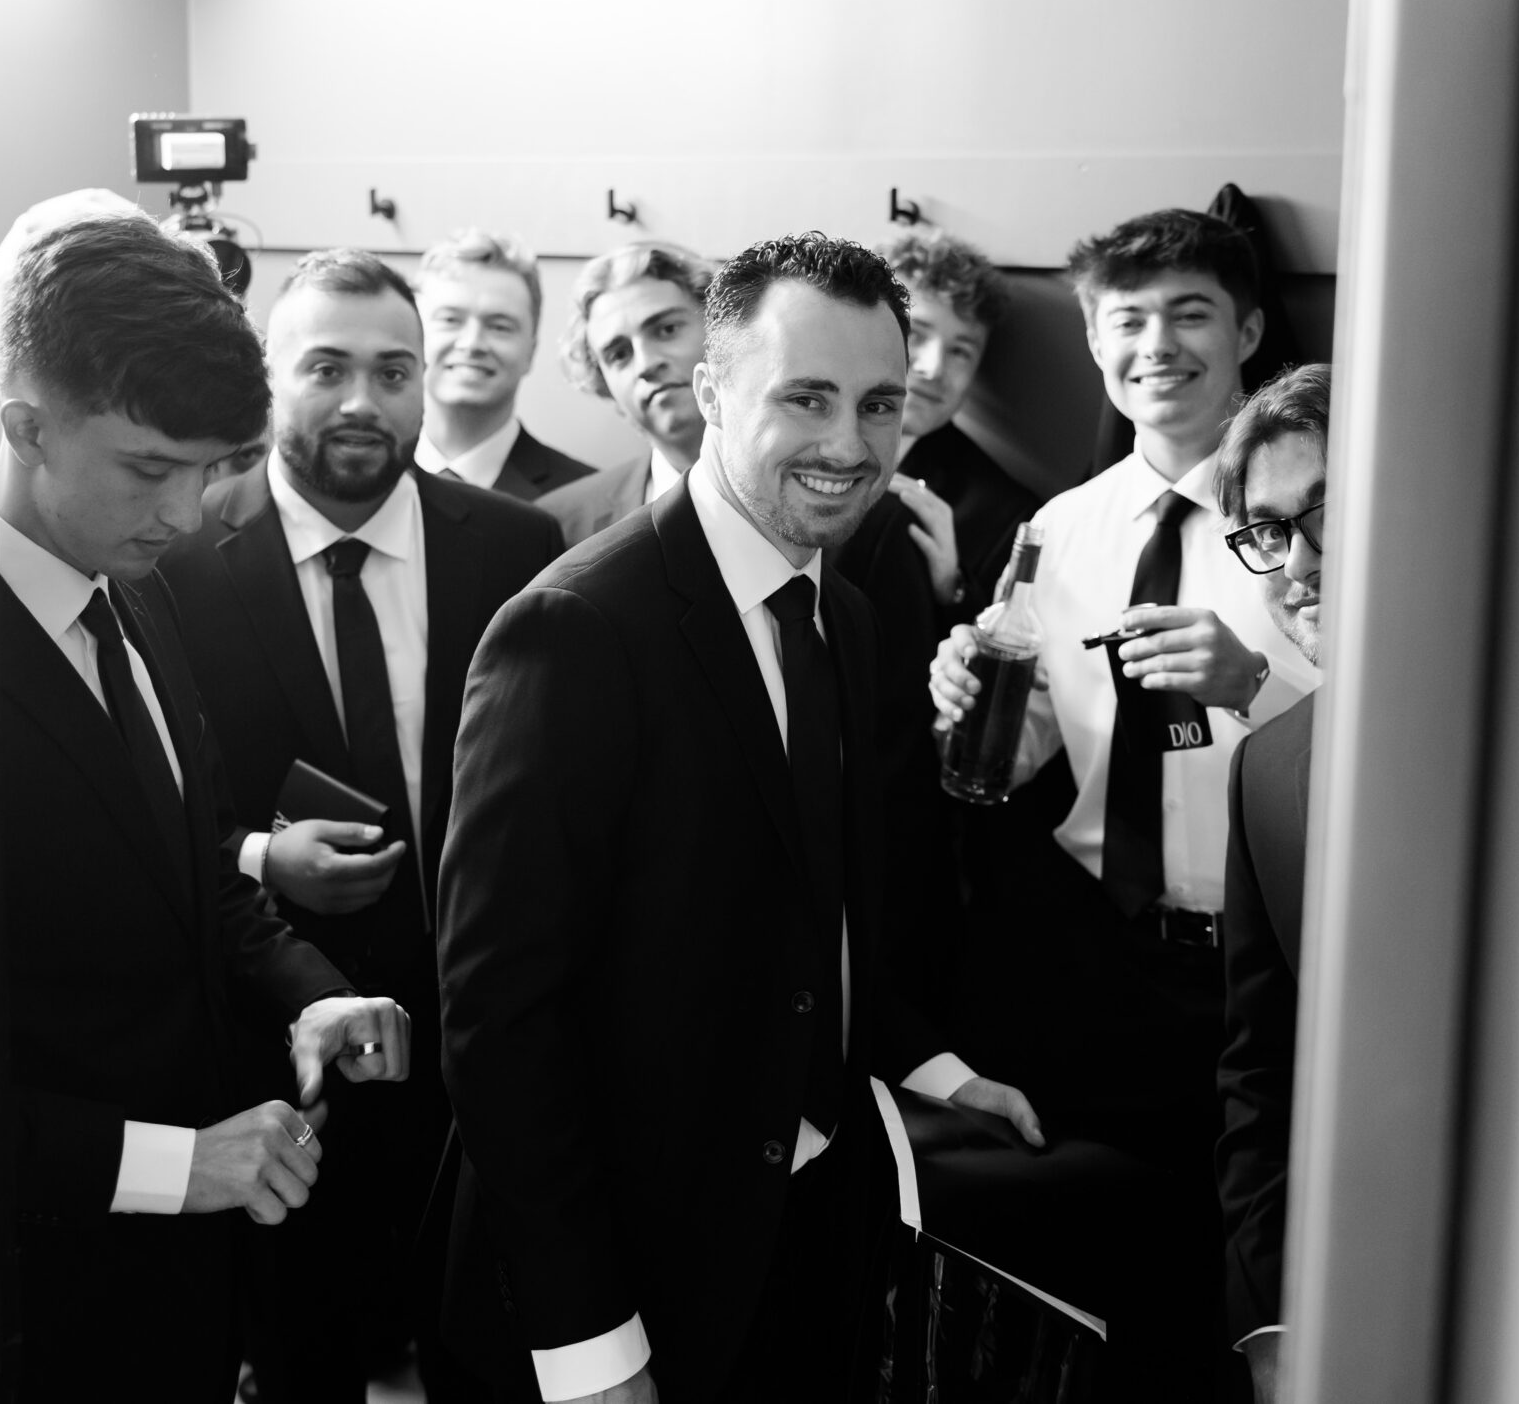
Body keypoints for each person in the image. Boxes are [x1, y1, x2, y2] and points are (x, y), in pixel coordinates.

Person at [436, 234, 1024, 1403]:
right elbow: (500, 1019)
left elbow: (816, 910)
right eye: (805, 398)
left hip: (802, 1234)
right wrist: (589, 1341)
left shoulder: (844, 614)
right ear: (709, 391)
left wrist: (932, 1066)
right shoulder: (574, 629)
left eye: (878, 405)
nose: (848, 444)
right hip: (621, 1273)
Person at [0, 211, 412, 1400]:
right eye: (149, 469)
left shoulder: (140, 589)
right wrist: (173, 1166)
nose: (184, 513)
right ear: (26, 427)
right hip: (30, 1300)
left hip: (191, 1287)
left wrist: (312, 996)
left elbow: (200, 876)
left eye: (213, 468)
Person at [926, 208, 1320, 1393]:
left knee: (1264, 1294)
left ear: (1246, 331)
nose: (1157, 345)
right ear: (1095, 343)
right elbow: (1028, 751)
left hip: (1281, 980)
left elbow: (1394, 742)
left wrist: (1255, 688)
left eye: (1189, 313)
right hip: (1106, 973)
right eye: (1127, 321)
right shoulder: (1058, 529)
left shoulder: (1316, 511)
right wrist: (967, 700)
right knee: (1121, 1302)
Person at [161, 250, 565, 1403]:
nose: (361, 401)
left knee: (487, 1348)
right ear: (269, 378)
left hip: (476, 1031)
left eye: (393, 372)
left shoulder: (516, 547)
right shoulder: (176, 561)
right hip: (281, 1048)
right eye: (326, 368)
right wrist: (260, 858)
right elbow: (158, 817)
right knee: (309, 1358)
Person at [1211, 363, 1331, 1404]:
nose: (1298, 564)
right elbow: (1262, 1072)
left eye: (1326, 513)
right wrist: (1269, 1323)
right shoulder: (1267, 767)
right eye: (1267, 530)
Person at [882, 229, 1042, 623]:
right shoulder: (787, 446)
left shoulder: (1004, 514)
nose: (934, 368)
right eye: (916, 335)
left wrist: (952, 587)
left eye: (960, 351)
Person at [533, 242, 713, 546]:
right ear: (605, 387)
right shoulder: (561, 526)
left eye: (667, 329)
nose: (646, 364)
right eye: (619, 354)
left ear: (722, 330)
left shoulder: (799, 485)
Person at [411, 228, 596, 500]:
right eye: (450, 320)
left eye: (499, 326)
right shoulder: (361, 479)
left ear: (531, 351)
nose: (472, 343)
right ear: (412, 334)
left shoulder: (588, 501)